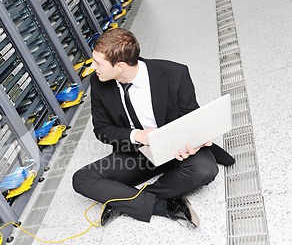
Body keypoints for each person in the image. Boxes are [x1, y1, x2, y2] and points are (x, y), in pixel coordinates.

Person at [72, 28, 234, 228]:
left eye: (98, 63)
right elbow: (102, 129)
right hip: (137, 152)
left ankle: (127, 200)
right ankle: (165, 206)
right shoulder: (98, 83)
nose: (92, 67)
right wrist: (138, 135)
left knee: (205, 169)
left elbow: (191, 116)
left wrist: (193, 141)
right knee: (82, 179)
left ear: (120, 66)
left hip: (176, 149)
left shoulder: (175, 73)